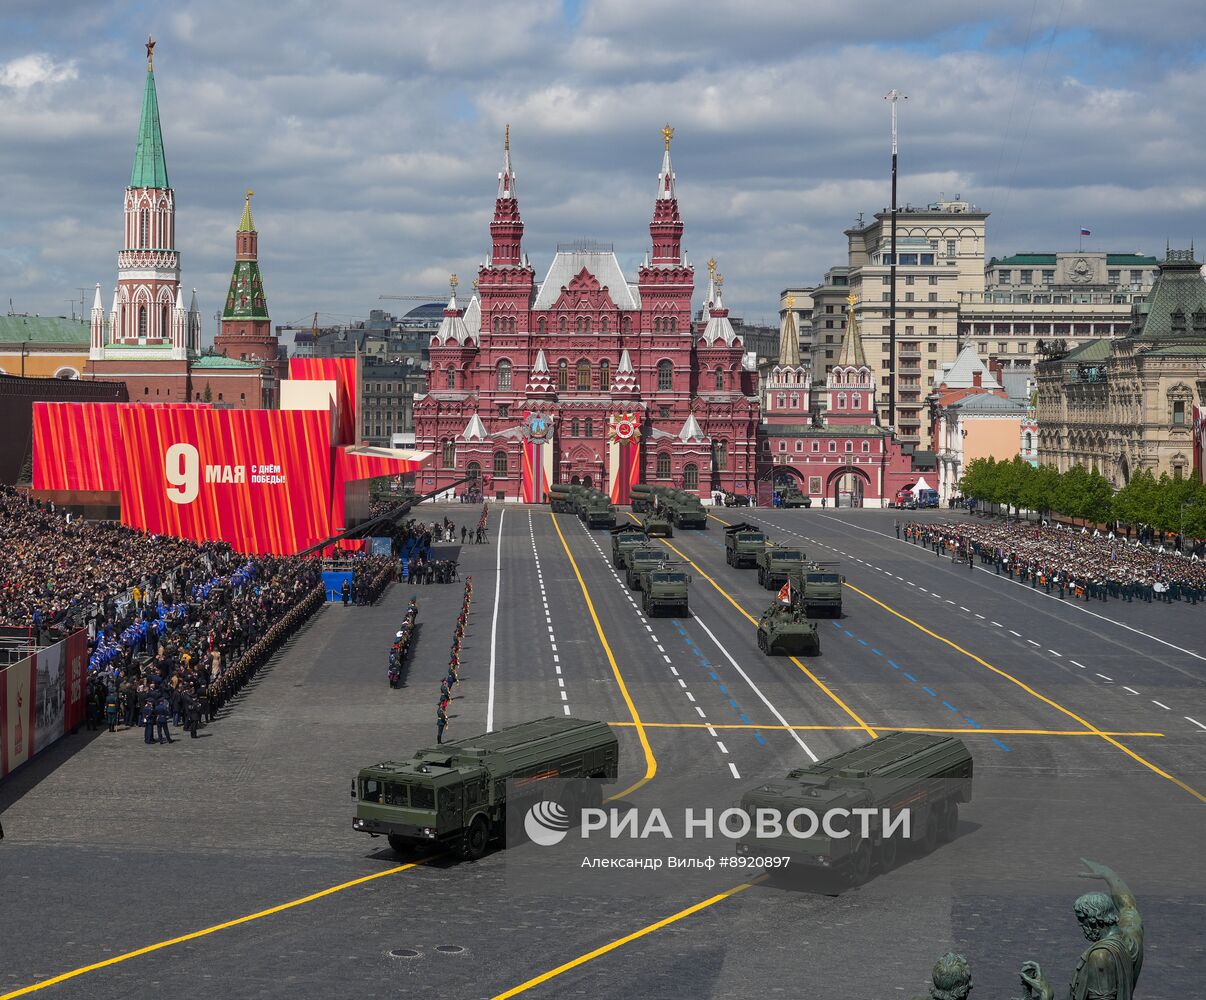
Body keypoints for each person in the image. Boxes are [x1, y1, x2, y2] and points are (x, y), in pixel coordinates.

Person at [1019, 860, 1143, 1000]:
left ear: (1094, 920)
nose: (1080, 926)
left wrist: (1046, 994)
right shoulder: (1132, 938)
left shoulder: (1100, 956)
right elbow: (1128, 906)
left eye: (1081, 920)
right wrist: (1109, 875)